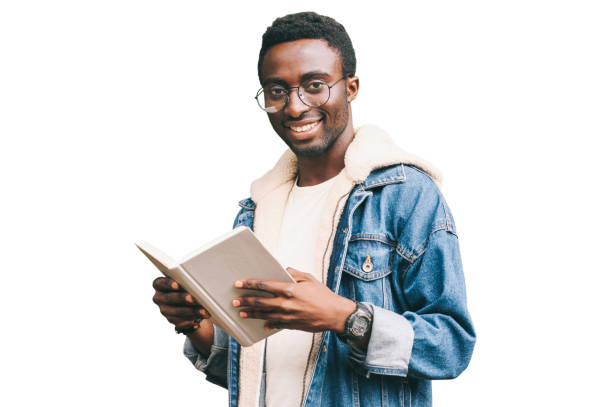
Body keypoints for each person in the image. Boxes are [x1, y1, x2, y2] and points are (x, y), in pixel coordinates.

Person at [151, 11, 475, 407]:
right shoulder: (256, 212)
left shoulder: (406, 195)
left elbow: (452, 345)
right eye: (276, 91)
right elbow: (259, 369)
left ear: (351, 87)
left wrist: (344, 317)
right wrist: (195, 325)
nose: (294, 106)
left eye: (315, 86)